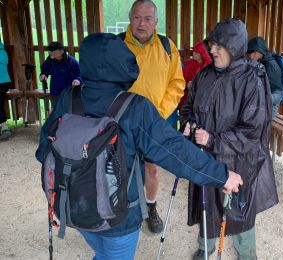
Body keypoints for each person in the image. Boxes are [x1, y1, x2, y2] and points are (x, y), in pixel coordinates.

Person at [35, 32, 243, 260]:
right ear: (124, 63)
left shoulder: (69, 97)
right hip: (118, 216)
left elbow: (44, 149)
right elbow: (175, 151)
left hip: (71, 206)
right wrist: (221, 175)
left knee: (102, 253)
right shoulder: (134, 107)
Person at [180, 18, 278, 260]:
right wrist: (189, 123)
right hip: (205, 156)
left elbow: (252, 131)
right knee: (207, 203)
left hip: (239, 161)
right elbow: (188, 106)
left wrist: (213, 139)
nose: (211, 50)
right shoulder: (205, 75)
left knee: (239, 211)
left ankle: (246, 255)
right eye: (212, 44)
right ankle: (206, 248)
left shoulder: (251, 79)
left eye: (218, 46)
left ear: (233, 47)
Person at [120, 0, 186, 233]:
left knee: (151, 168)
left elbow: (177, 84)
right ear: (130, 18)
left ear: (156, 21)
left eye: (148, 18)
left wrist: (157, 113)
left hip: (155, 121)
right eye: (137, 17)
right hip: (121, 121)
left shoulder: (168, 47)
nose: (142, 23)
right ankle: (122, 208)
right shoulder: (117, 45)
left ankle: (150, 207)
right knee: (120, 166)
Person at [247, 36, 283, 117]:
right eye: (249, 54)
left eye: (254, 53)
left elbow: (278, 92)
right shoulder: (255, 63)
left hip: (270, 104)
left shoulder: (271, 65)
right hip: (260, 102)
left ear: (260, 52)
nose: (251, 57)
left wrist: (261, 99)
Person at [40, 41, 81, 109]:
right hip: (55, 93)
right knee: (56, 114)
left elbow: (80, 74)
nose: (50, 53)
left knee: (69, 114)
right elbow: (44, 69)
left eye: (53, 51)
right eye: (49, 51)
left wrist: (77, 80)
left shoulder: (71, 61)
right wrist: (43, 75)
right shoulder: (50, 60)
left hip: (69, 93)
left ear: (61, 51)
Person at [179, 40, 212, 109]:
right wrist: (186, 85)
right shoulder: (189, 64)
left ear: (203, 53)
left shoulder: (209, 65)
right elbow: (182, 79)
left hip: (204, 100)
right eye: (194, 51)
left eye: (197, 52)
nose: (193, 53)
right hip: (189, 96)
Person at [0, 41, 12, 140]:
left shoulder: (2, 52)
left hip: (2, 82)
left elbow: (4, 62)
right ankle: (4, 127)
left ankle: (4, 128)